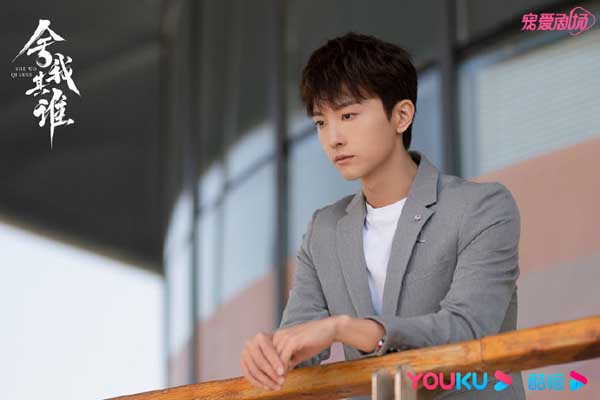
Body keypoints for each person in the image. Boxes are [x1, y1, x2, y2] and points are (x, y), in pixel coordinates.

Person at [240, 32, 526, 399]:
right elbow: (299, 343)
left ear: (401, 115)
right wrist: (271, 353)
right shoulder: (323, 230)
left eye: (348, 115)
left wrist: (346, 329)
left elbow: (468, 328)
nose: (333, 138)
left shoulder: (481, 207)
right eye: (321, 122)